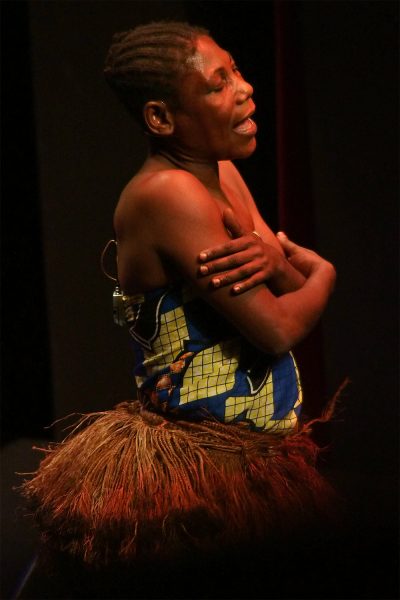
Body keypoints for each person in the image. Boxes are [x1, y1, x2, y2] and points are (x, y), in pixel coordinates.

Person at [20, 22, 338, 592]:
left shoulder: (225, 175)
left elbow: (282, 278)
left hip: (255, 455)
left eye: (237, 71)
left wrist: (289, 267)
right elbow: (278, 326)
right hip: (199, 467)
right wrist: (327, 272)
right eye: (218, 84)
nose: (245, 89)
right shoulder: (168, 194)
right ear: (161, 119)